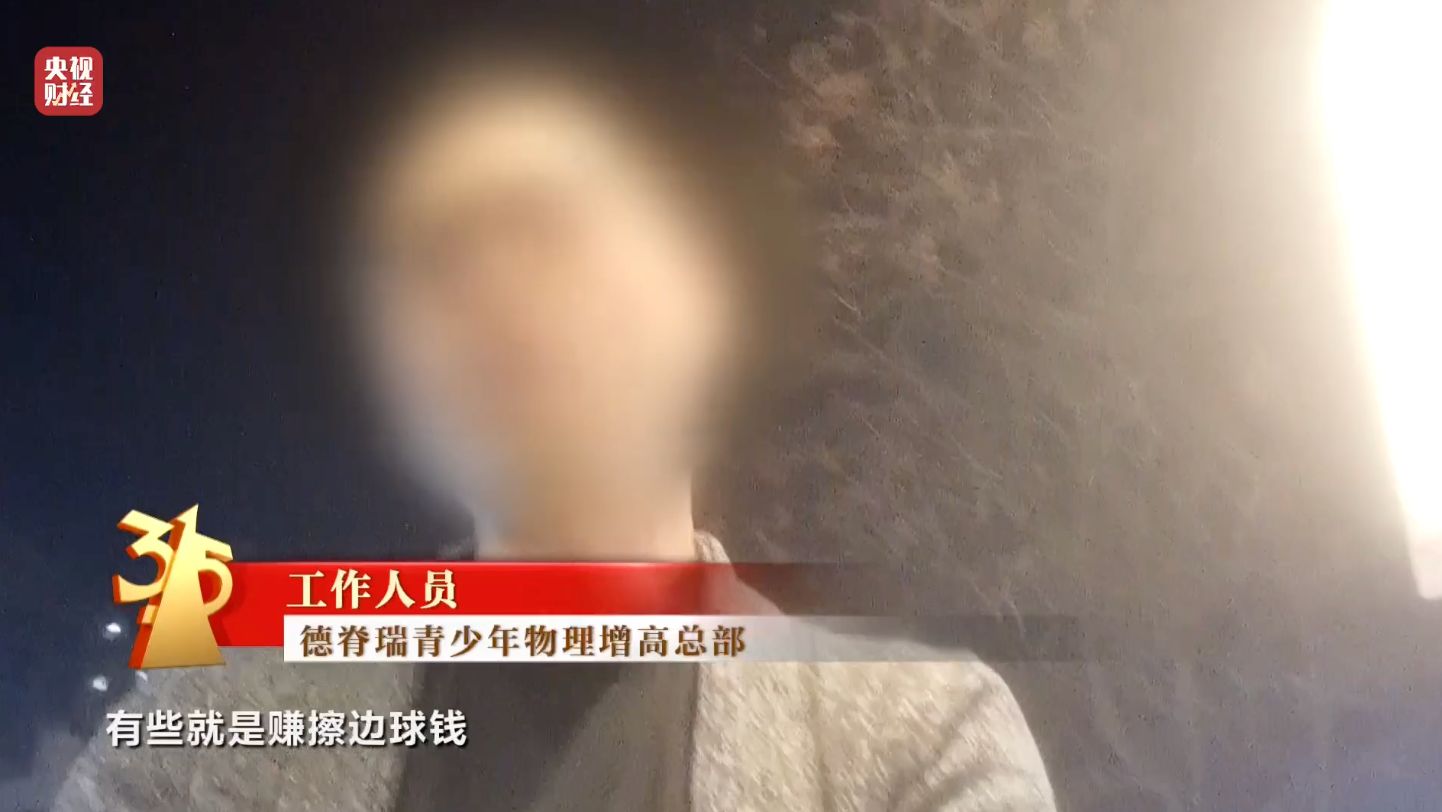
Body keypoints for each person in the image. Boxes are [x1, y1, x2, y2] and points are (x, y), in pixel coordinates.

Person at [55, 24, 1056, 812]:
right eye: (430, 255)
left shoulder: (918, 735)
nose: (487, 286)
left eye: (549, 221)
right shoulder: (213, 718)